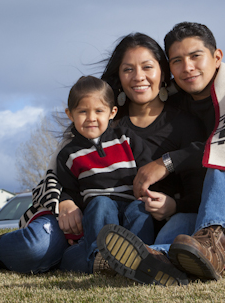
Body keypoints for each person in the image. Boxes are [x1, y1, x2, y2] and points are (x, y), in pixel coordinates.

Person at [0, 33, 206, 279]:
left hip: (147, 218)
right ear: (118, 76)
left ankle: (127, 263)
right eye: (128, 69)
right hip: (81, 220)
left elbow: (199, 174)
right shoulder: (100, 123)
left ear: (162, 72)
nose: (138, 77)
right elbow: (56, 173)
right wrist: (65, 201)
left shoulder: (180, 122)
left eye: (147, 67)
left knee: (149, 225)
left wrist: (172, 196)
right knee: (36, 247)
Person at [96, 22, 225, 284]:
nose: (187, 67)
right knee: (180, 227)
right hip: (198, 213)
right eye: (177, 60)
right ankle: (160, 259)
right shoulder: (172, 99)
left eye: (195, 56)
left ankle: (213, 245)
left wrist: (168, 162)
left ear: (217, 57)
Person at [55, 75, 155, 272]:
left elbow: (148, 171)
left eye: (99, 111)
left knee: (140, 209)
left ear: (112, 112)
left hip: (129, 207)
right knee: (102, 203)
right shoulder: (69, 154)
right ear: (70, 114)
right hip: (98, 217)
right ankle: (102, 258)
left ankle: (140, 259)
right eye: (83, 111)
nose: (91, 118)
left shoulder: (126, 138)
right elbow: (68, 189)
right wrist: (65, 201)